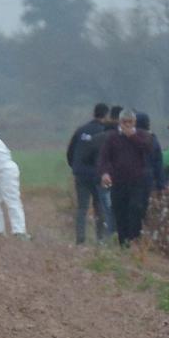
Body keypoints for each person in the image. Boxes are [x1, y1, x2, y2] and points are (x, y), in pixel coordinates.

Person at [98, 109, 152, 247]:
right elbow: (104, 158)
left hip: (137, 181)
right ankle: (124, 244)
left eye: (130, 122)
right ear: (119, 122)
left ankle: (134, 239)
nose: (127, 124)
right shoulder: (112, 137)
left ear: (134, 122)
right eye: (124, 122)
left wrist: (132, 136)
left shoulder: (142, 135)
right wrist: (105, 173)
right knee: (119, 211)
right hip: (118, 181)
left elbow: (148, 149)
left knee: (135, 208)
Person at [66, 103, 109, 244]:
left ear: (94, 113)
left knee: (82, 207)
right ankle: (100, 238)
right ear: (106, 115)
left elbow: (70, 152)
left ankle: (80, 238)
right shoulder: (105, 132)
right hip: (98, 175)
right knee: (100, 206)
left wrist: (75, 167)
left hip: (81, 174)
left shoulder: (81, 130)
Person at [87, 105, 123, 238]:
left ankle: (107, 237)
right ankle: (119, 236)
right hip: (121, 178)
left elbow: (87, 158)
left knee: (106, 209)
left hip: (102, 178)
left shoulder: (97, 138)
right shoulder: (125, 137)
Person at [136, 112, 165, 221]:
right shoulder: (153, 140)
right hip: (148, 178)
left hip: (131, 178)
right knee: (146, 207)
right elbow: (158, 163)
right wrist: (161, 185)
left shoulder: (129, 138)